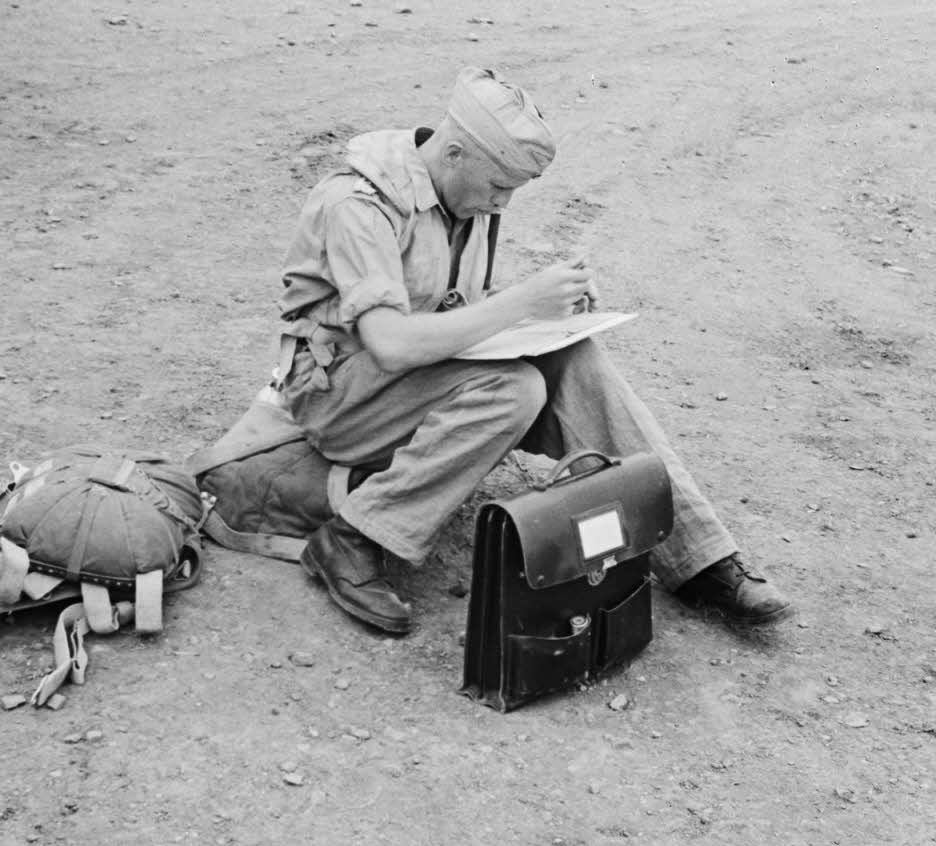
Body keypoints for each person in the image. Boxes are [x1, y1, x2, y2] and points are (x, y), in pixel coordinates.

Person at [273, 66, 792, 634]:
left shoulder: (461, 195)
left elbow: (449, 309)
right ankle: (353, 538)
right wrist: (520, 302)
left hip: (405, 380)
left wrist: (545, 315)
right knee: (515, 391)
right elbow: (390, 344)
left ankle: (699, 557)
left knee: (574, 359)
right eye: (499, 186)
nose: (504, 202)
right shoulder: (358, 203)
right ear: (453, 153)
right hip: (336, 394)